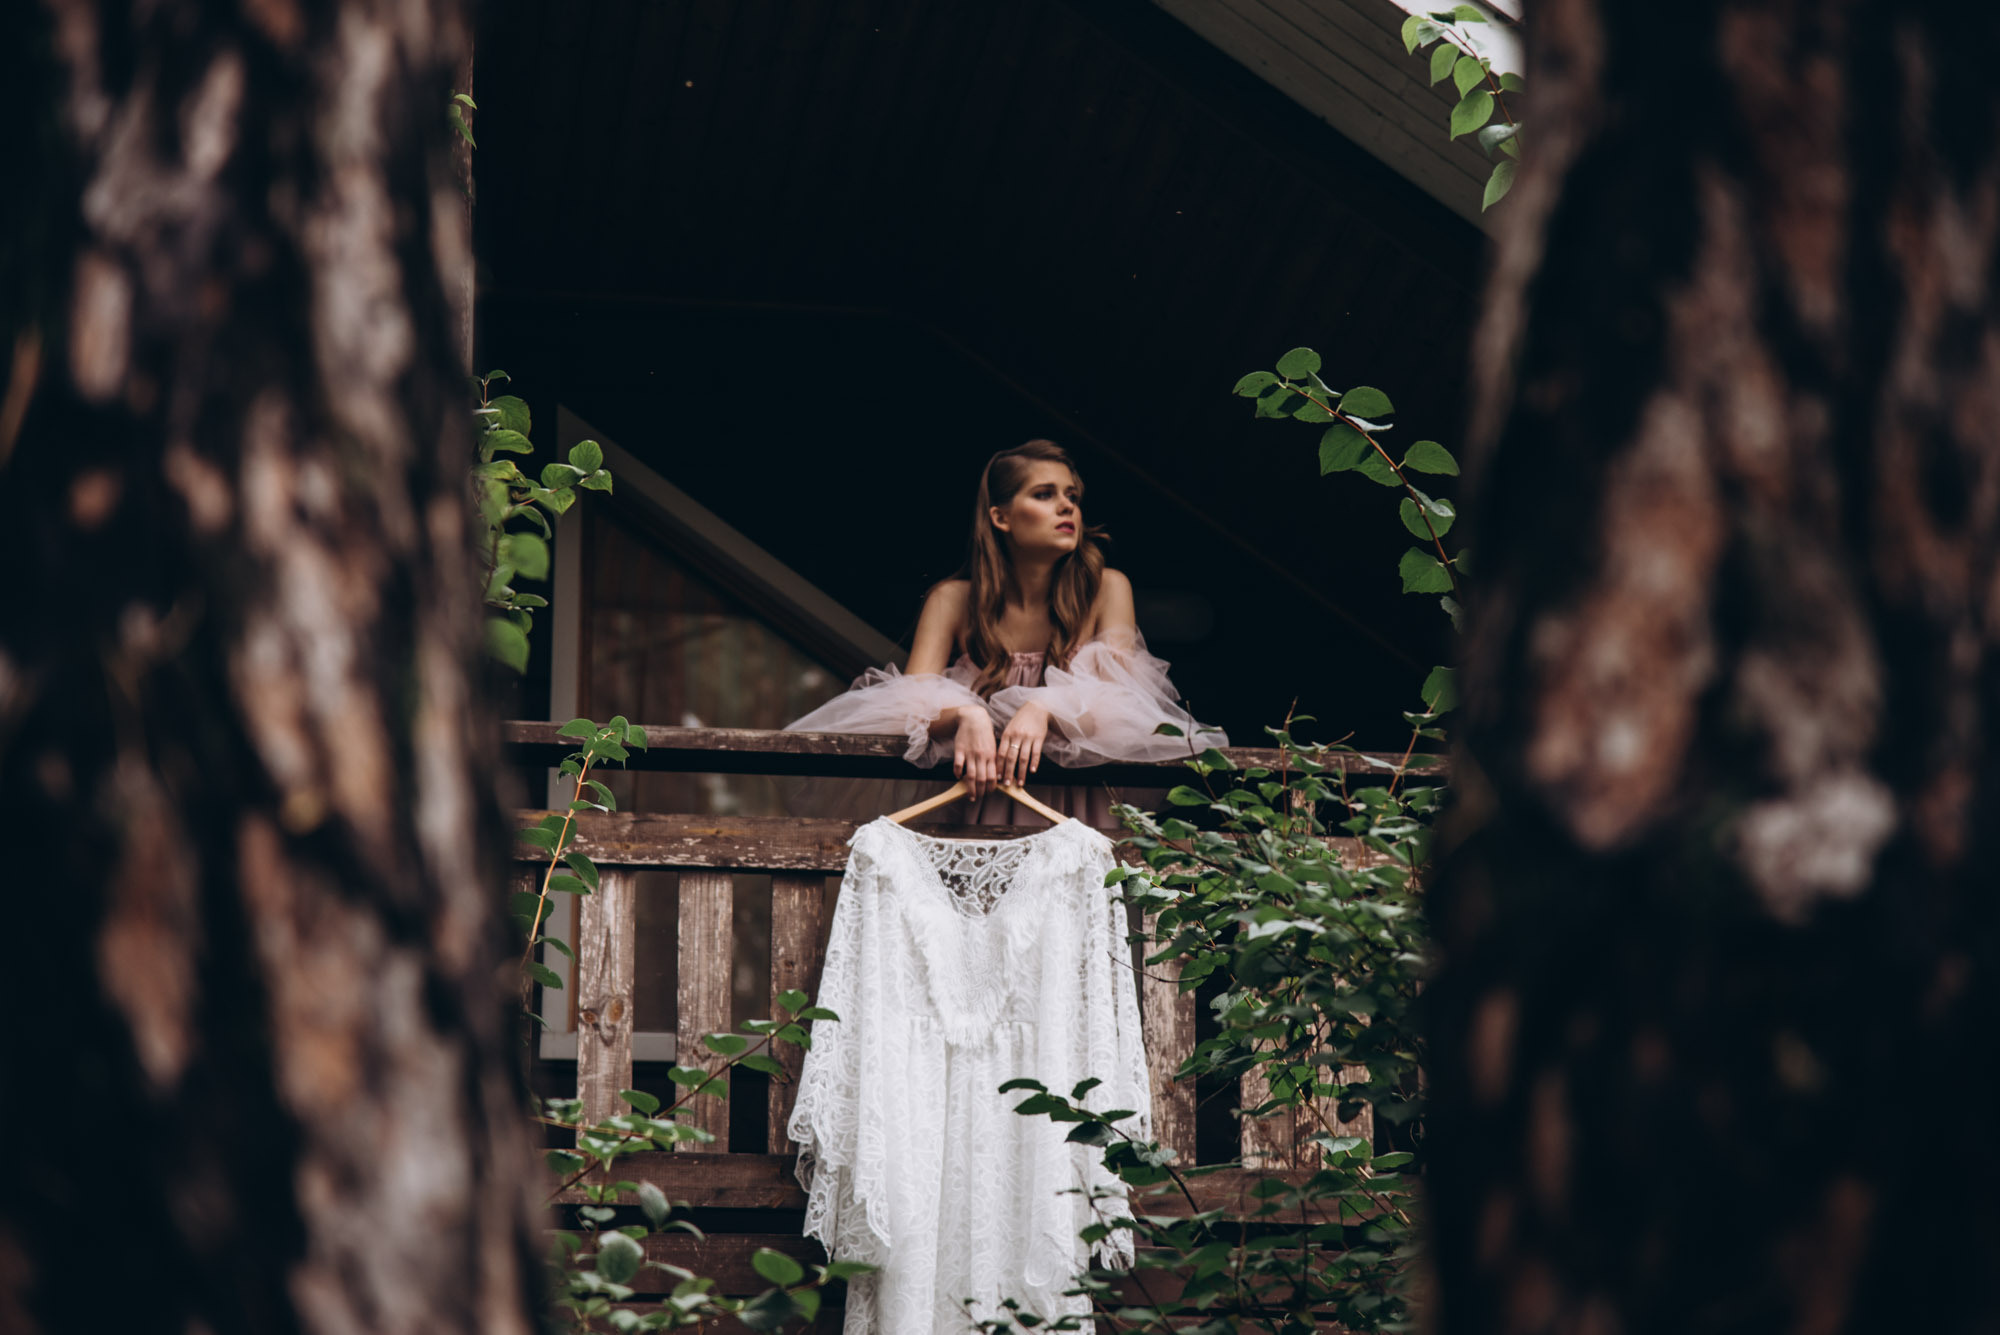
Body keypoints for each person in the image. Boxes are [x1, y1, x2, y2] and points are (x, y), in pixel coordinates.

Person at [786, 439, 1225, 824]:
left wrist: (1043, 707)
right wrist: (967, 715)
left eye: (1071, 495)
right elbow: (909, 707)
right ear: (1001, 517)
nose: (1067, 506)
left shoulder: (1107, 589)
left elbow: (1120, 710)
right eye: (1044, 494)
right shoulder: (951, 600)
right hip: (981, 802)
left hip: (1076, 808)